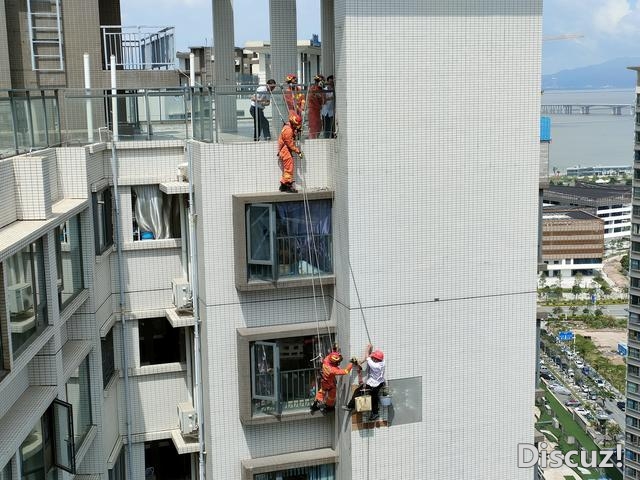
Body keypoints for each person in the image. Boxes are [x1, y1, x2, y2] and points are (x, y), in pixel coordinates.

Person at [343, 344, 386, 420]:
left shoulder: (375, 366)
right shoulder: (382, 362)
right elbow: (369, 359)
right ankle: (375, 413)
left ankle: (350, 406)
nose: (373, 359)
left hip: (373, 384)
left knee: (357, 391)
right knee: (374, 398)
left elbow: (367, 357)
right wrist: (361, 362)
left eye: (374, 358)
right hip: (380, 383)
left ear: (377, 359)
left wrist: (368, 348)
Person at [310, 350, 355, 415]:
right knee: (331, 397)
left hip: (324, 381)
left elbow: (332, 354)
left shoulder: (326, 359)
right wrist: (351, 363)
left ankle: (314, 407)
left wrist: (336, 351)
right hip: (329, 384)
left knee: (321, 394)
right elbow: (346, 371)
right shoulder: (332, 370)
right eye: (338, 362)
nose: (338, 363)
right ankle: (327, 408)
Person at [277, 113, 303, 193]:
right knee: (289, 169)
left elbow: (291, 136)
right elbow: (290, 144)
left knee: (287, 169)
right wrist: (298, 152)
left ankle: (283, 186)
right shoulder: (288, 130)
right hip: (286, 151)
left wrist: (296, 131)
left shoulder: (288, 127)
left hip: (285, 151)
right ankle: (288, 186)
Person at [307, 74, 325, 139]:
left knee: (319, 126)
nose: (323, 82)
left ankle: (316, 138)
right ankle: (312, 139)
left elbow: (323, 100)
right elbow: (311, 99)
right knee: (313, 125)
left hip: (318, 111)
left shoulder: (321, 89)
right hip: (313, 110)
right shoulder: (313, 89)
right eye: (322, 81)